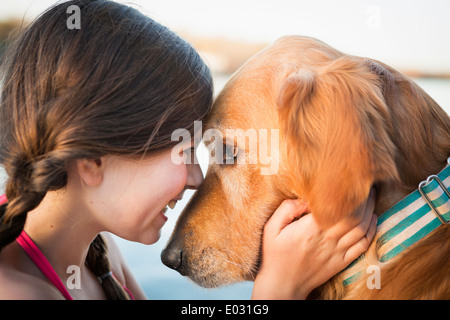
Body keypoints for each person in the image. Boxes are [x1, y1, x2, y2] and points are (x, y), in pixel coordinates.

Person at [0, 0, 377, 300]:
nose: (197, 178)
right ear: (93, 159)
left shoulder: (100, 253)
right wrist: (278, 292)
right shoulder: (18, 293)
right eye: (184, 148)